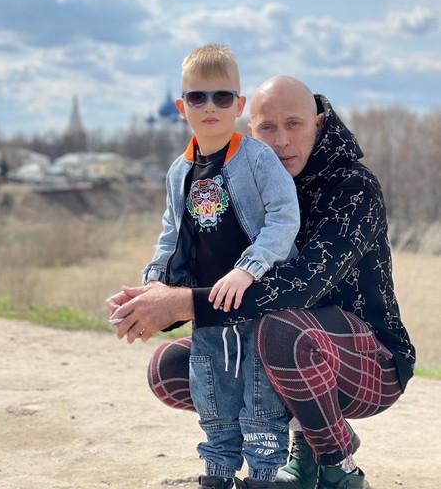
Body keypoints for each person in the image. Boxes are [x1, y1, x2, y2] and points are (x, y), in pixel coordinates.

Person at [107, 75, 416, 489]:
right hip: (281, 347)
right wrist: (153, 300)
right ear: (251, 130)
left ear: (318, 124)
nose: (282, 141)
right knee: (172, 368)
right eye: (268, 127)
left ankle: (338, 466)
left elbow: (303, 284)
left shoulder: (353, 187)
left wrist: (185, 303)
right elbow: (208, 268)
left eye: (294, 124)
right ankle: (297, 443)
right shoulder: (247, 183)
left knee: (282, 331)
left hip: (371, 362)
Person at [115, 46, 302, 489]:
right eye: (198, 97)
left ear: (239, 105)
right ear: (182, 107)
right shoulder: (179, 171)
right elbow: (171, 234)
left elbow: (284, 216)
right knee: (212, 392)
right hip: (208, 306)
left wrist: (248, 268)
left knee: (260, 396)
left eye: (222, 97)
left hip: (257, 304)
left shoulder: (257, 158)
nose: (210, 107)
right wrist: (150, 287)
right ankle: (217, 473)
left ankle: (263, 476)